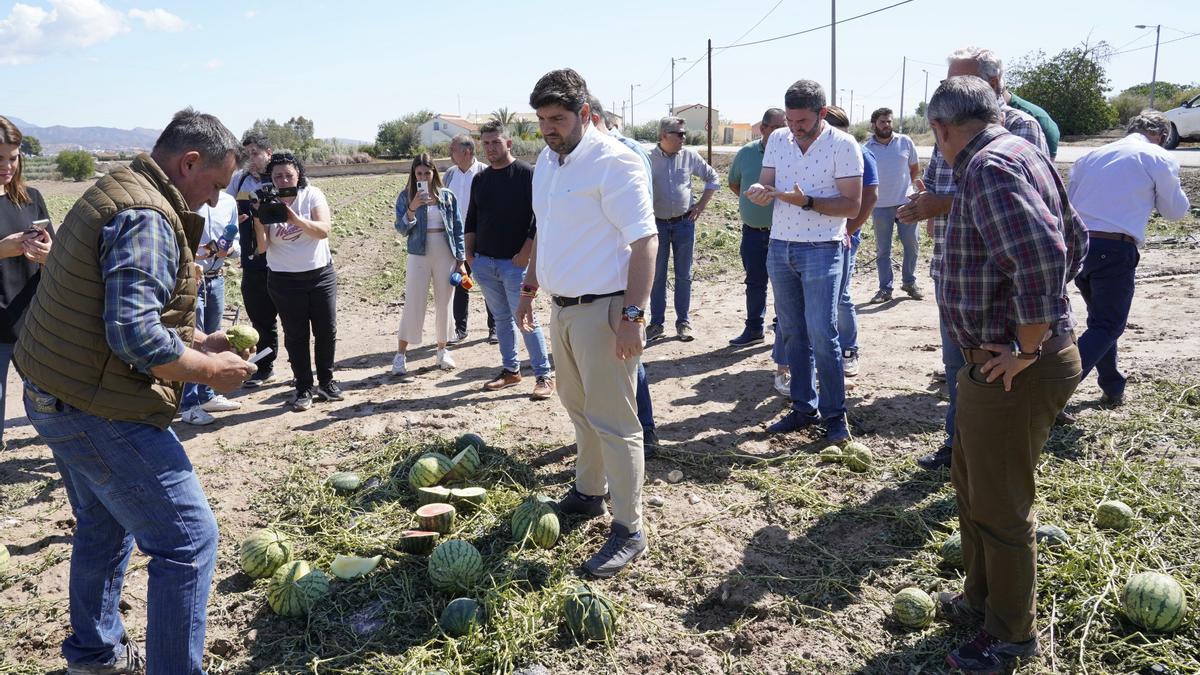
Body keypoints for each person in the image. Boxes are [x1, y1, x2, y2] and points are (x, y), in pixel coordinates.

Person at [14, 109, 258, 674]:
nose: (215, 201)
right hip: (93, 406)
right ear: (189, 162)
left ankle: (95, 654)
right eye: (216, 185)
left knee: (105, 520)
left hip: (54, 388)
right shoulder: (148, 214)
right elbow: (133, 334)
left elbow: (120, 302)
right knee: (189, 541)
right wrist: (207, 370)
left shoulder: (124, 188)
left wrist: (199, 336)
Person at [925, 76, 1085, 673]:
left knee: (999, 505)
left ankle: (1010, 635)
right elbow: (1076, 239)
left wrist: (1026, 345)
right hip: (992, 364)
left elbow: (1045, 255)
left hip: (1013, 369)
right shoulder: (1024, 151)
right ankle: (981, 601)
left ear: (941, 129)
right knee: (972, 485)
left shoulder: (989, 167)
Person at [516, 69, 657, 577]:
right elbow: (545, 232)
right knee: (578, 408)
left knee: (616, 421)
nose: (549, 128)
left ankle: (629, 527)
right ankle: (589, 492)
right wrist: (530, 287)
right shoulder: (547, 166)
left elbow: (645, 241)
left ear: (586, 114)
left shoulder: (614, 161)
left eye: (558, 118)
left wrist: (633, 316)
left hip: (607, 309)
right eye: (542, 120)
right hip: (563, 307)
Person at [897, 45, 1052, 472]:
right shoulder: (950, 127)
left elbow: (1032, 227)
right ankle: (959, 447)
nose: (951, 88)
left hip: (995, 289)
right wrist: (924, 205)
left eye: (961, 79)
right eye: (947, 79)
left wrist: (1027, 346)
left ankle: (990, 459)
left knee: (996, 379)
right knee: (957, 369)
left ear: (995, 83)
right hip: (954, 268)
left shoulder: (1018, 130)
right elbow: (936, 180)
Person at [747, 79, 862, 443]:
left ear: (822, 113)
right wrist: (761, 192)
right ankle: (802, 407)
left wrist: (807, 201)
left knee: (822, 333)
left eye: (802, 122)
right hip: (780, 246)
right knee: (792, 331)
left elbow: (852, 205)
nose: (794, 128)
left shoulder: (843, 146)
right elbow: (767, 181)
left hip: (822, 249)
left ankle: (834, 416)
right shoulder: (779, 140)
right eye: (790, 121)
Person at [1066, 110, 1190, 408]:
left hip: (1078, 245)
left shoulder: (1091, 155)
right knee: (1108, 324)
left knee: (1101, 321)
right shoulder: (1156, 156)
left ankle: (1112, 386)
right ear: (1161, 136)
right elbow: (1175, 211)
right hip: (1114, 248)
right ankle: (1054, 389)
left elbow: (1067, 200)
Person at [589, 96, 661, 454]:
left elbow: (640, 224)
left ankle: (643, 431)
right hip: (597, 276)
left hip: (621, 272)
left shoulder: (624, 155)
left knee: (628, 356)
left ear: (591, 117)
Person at [466, 121, 555, 400]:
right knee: (501, 319)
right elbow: (471, 218)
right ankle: (511, 371)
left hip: (515, 265)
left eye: (496, 142)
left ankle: (544, 376)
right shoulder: (480, 179)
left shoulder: (527, 175)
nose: (491, 147)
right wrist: (470, 256)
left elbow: (539, 218)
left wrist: (526, 252)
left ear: (509, 143)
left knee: (526, 318)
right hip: (485, 263)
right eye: (486, 143)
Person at [252, 152, 342, 412]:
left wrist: (293, 218)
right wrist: (260, 220)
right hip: (283, 279)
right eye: (277, 175)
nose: (283, 179)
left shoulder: (312, 195)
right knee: (296, 335)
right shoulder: (267, 200)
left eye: (288, 174)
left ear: (298, 174)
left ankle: (326, 382)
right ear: (271, 178)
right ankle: (303, 387)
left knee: (326, 330)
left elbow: (323, 230)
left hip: (319, 275)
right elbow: (263, 247)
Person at [0, 116, 53, 449]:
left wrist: (47, 254)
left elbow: (57, 256)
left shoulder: (30, 198)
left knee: (50, 406)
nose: (7, 166)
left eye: (13, 157)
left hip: (32, 323)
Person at [392, 154, 468, 378]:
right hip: (418, 253)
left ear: (434, 172)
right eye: (419, 173)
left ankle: (442, 351)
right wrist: (412, 209)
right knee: (414, 302)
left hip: (445, 252)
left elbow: (457, 228)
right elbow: (401, 229)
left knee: (445, 302)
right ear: (413, 175)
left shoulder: (447, 196)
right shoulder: (406, 196)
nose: (423, 176)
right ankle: (400, 355)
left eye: (427, 172)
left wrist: (461, 261)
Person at [646, 116, 720, 342]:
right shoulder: (647, 158)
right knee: (656, 276)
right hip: (656, 224)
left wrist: (700, 206)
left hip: (683, 224)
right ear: (663, 136)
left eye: (684, 133)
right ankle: (656, 323)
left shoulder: (689, 156)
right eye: (679, 133)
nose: (683, 137)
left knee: (684, 275)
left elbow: (713, 178)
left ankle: (683, 322)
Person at [824, 106, 879, 379]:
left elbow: (870, 198)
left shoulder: (860, 154)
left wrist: (849, 231)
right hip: (821, 238)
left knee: (840, 296)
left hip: (843, 238)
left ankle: (849, 350)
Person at [180, 190, 242, 425]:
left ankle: (207, 396)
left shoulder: (227, 202)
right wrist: (201, 253)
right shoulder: (187, 200)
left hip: (216, 278)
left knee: (213, 339)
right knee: (191, 341)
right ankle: (188, 405)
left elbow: (235, 243)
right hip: (191, 279)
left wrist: (229, 250)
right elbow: (176, 244)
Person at [727, 108, 786, 347]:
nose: (784, 132)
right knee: (754, 283)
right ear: (763, 129)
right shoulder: (747, 153)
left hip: (784, 234)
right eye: (778, 127)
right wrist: (755, 206)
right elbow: (735, 184)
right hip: (753, 232)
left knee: (785, 285)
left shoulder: (792, 153)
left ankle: (783, 328)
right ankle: (754, 329)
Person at [228, 131, 279, 387]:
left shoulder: (283, 177)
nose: (251, 159)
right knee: (260, 315)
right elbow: (223, 210)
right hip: (253, 259)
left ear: (268, 153)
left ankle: (302, 369)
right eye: (246, 154)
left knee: (293, 316)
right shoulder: (239, 182)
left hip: (282, 258)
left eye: (255, 153)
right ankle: (265, 366)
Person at [863, 107, 922, 303]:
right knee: (883, 250)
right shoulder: (866, 148)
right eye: (882, 122)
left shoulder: (905, 141)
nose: (887, 125)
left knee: (912, 245)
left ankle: (909, 282)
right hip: (880, 207)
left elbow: (914, 169)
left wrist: (906, 189)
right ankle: (885, 288)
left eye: (889, 121)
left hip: (906, 204)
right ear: (874, 125)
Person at [443, 134, 496, 345]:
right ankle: (460, 329)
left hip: (482, 239)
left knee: (488, 284)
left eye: (452, 150)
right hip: (457, 239)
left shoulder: (485, 172)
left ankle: (494, 328)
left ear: (466, 152)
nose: (450, 154)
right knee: (460, 284)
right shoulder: (449, 175)